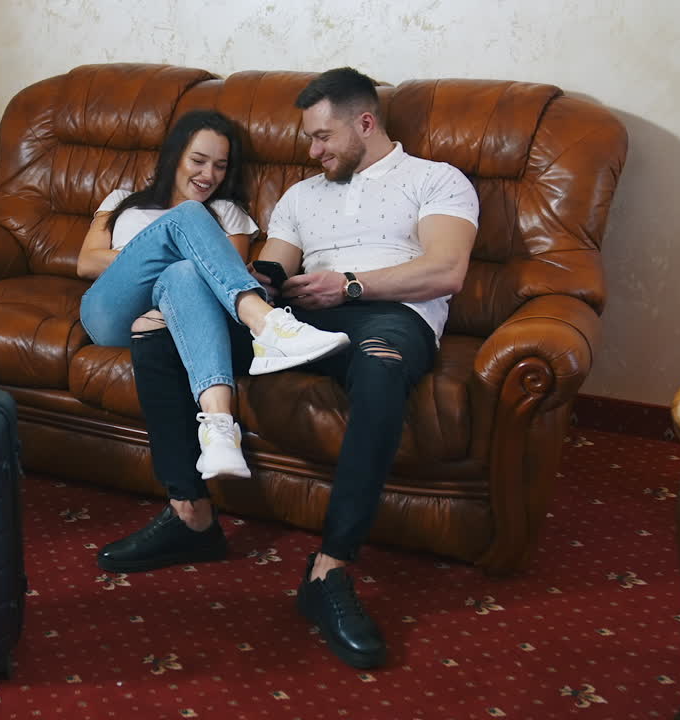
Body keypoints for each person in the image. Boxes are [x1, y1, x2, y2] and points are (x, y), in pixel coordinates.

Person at [115, 69, 480, 669]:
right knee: (158, 336)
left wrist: (351, 286)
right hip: (300, 315)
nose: (312, 151)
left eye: (321, 136)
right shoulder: (301, 196)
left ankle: (329, 570)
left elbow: (445, 270)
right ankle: (190, 514)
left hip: (390, 316)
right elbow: (271, 272)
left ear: (365, 123)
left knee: (383, 367)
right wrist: (241, 290)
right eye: (308, 139)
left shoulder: (435, 180)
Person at [78, 110, 351, 571]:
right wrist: (163, 242)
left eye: (220, 167)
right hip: (110, 309)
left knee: (186, 270)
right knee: (184, 228)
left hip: (168, 318)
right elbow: (87, 262)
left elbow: (209, 282)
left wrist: (169, 280)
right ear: (175, 156)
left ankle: (220, 428)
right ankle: (267, 323)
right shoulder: (122, 199)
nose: (208, 175)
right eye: (198, 161)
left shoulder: (229, 214)